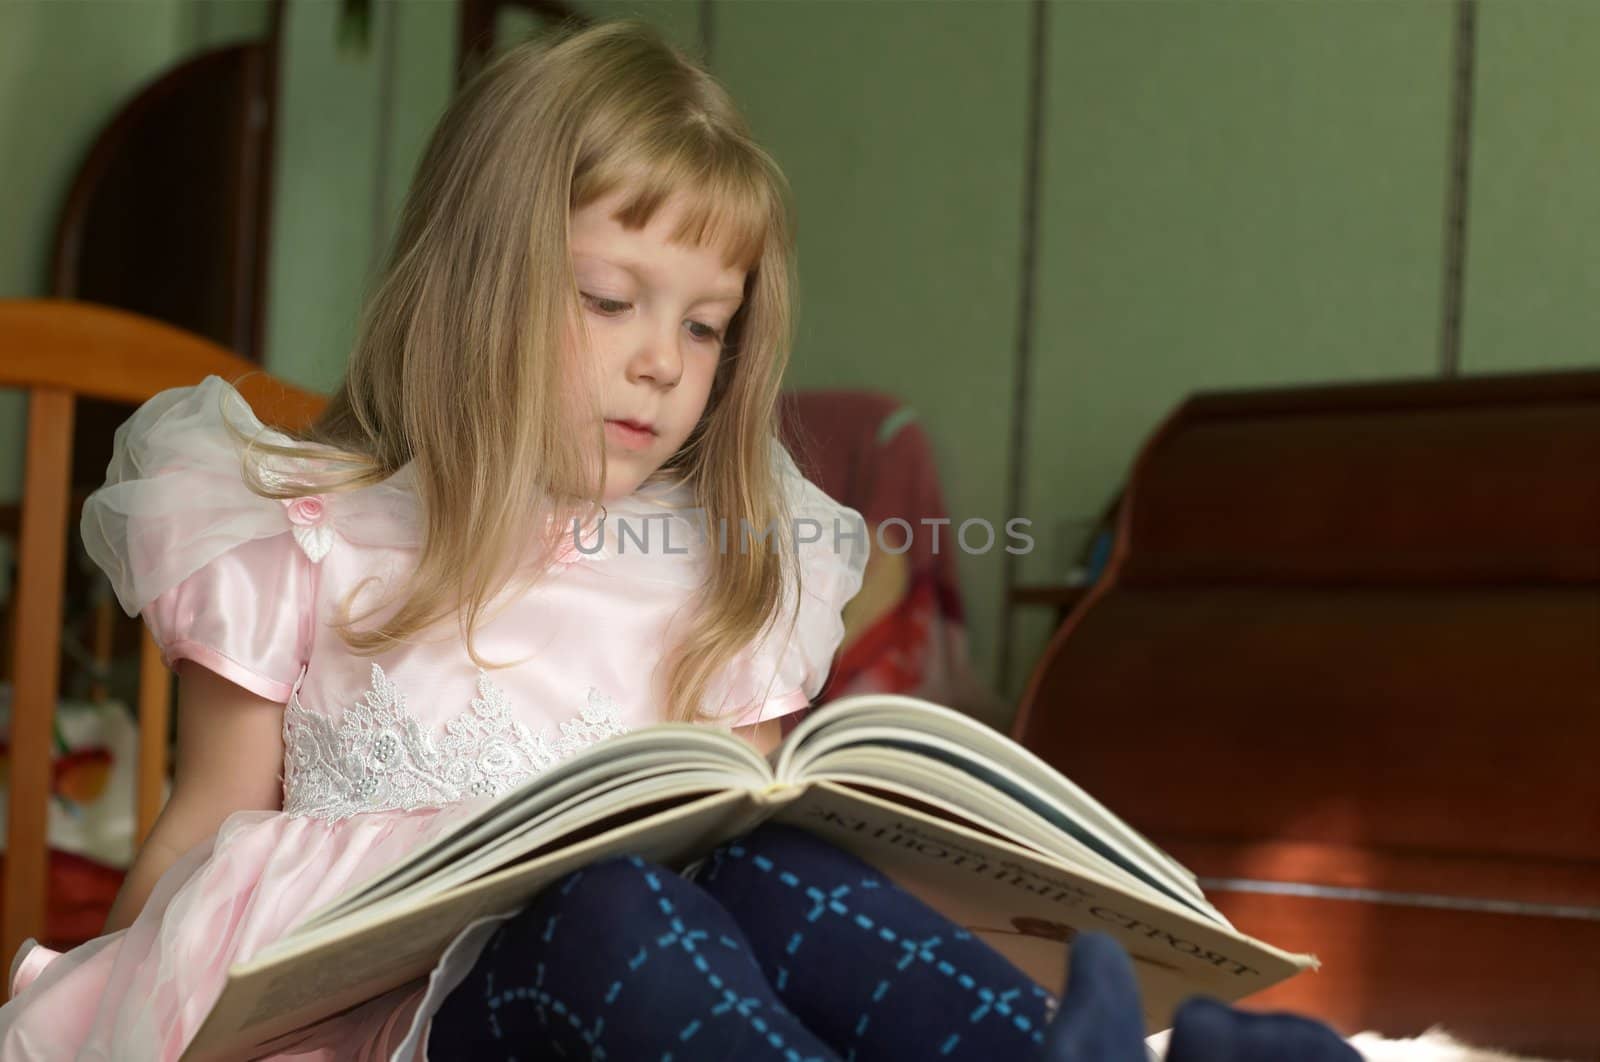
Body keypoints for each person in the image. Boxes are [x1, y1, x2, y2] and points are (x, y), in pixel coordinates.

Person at [0, 21, 1359, 1062]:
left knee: (785, 870)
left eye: (705, 325)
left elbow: (739, 825)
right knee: (608, 907)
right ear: (479, 283)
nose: (661, 364)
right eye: (611, 299)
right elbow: (194, 835)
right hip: (408, 1014)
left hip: (655, 995)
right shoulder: (299, 534)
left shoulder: (719, 561)